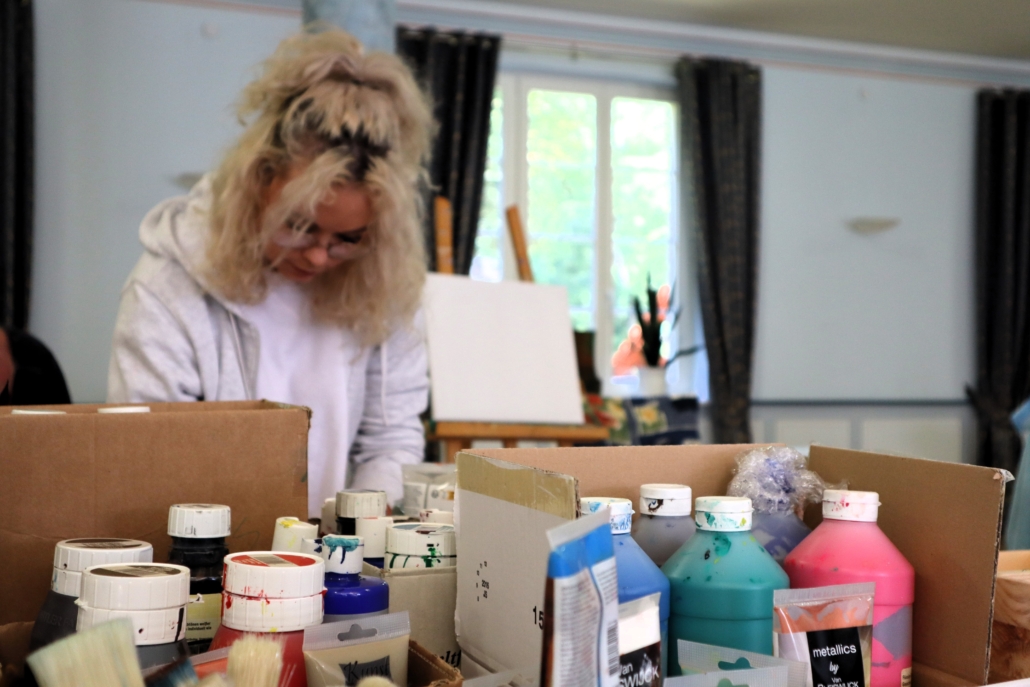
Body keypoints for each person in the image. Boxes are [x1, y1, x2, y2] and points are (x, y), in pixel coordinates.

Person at [108, 30, 434, 515]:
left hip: (333, 546)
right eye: (298, 227)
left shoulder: (382, 280)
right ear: (257, 180)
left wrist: (358, 528)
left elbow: (390, 439)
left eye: (347, 238)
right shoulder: (167, 286)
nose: (318, 257)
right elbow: (148, 454)